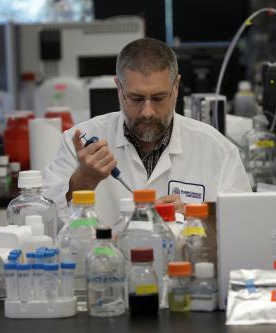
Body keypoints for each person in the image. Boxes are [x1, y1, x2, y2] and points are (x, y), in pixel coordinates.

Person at [44, 38, 251, 226]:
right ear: (119, 88)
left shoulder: (217, 150)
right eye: (136, 98)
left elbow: (245, 225)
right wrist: (81, 182)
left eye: (159, 98)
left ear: (176, 87)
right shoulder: (80, 143)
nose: (147, 112)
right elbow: (42, 224)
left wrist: (195, 218)